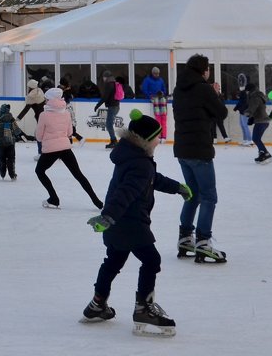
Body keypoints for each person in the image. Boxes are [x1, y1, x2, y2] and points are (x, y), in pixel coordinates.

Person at [81, 110, 190, 337]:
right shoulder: (141, 163)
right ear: (146, 140)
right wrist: (108, 216)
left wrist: (176, 187)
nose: (160, 140)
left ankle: (97, 303)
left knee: (112, 262)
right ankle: (144, 309)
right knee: (152, 260)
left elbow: (152, 179)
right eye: (158, 136)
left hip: (118, 223)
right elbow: (126, 192)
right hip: (129, 222)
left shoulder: (132, 157)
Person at [171, 54, 228, 263]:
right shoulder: (204, 88)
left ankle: (185, 237)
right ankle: (203, 240)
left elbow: (196, 114)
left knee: (192, 195)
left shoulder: (179, 89)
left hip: (182, 150)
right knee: (208, 197)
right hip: (200, 150)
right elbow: (220, 113)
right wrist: (216, 94)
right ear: (204, 70)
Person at [34, 89, 102, 209]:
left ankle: (54, 198)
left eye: (46, 98)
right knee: (78, 175)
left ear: (49, 100)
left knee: (39, 171)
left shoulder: (43, 115)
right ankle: (97, 202)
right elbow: (70, 133)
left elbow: (38, 136)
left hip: (50, 149)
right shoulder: (66, 113)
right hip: (65, 147)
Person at [93, 72, 122, 148]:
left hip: (113, 107)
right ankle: (113, 141)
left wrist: (97, 105)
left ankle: (114, 141)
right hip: (116, 106)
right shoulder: (114, 83)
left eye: (104, 77)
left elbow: (105, 97)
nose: (103, 78)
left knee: (109, 125)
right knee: (109, 124)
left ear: (106, 77)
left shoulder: (109, 84)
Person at [246, 83, 272, 164]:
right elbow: (258, 109)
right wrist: (252, 118)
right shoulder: (259, 95)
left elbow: (253, 107)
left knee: (256, 139)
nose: (246, 93)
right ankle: (262, 153)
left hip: (261, 121)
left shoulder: (255, 97)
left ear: (249, 90)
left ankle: (265, 153)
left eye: (247, 91)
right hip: (263, 121)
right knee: (257, 139)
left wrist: (248, 113)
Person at [140, 67, 167, 140]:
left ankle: (163, 136)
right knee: (157, 118)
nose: (156, 75)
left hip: (161, 99)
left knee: (163, 118)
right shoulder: (147, 80)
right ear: (152, 73)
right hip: (153, 99)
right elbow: (144, 89)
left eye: (158, 73)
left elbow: (164, 89)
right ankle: (158, 135)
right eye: (155, 73)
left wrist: (162, 93)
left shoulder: (161, 80)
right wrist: (149, 96)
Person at [233, 74, 253, 146]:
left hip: (245, 111)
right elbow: (241, 101)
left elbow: (243, 102)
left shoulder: (245, 93)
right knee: (242, 125)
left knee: (245, 125)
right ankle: (245, 140)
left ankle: (250, 140)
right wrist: (236, 108)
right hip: (242, 111)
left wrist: (237, 107)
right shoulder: (242, 92)